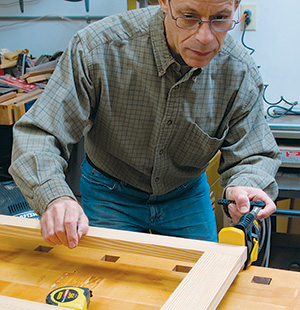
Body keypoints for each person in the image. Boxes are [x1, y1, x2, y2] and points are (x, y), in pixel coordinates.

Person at [10, 0, 281, 249]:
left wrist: (246, 182)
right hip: (110, 191)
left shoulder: (239, 70)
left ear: (235, 5)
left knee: (203, 282)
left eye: (220, 18)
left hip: (185, 194)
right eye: (188, 17)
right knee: (108, 292)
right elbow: (39, 134)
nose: (205, 37)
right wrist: (55, 197)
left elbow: (254, 152)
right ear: (164, 2)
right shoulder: (98, 47)